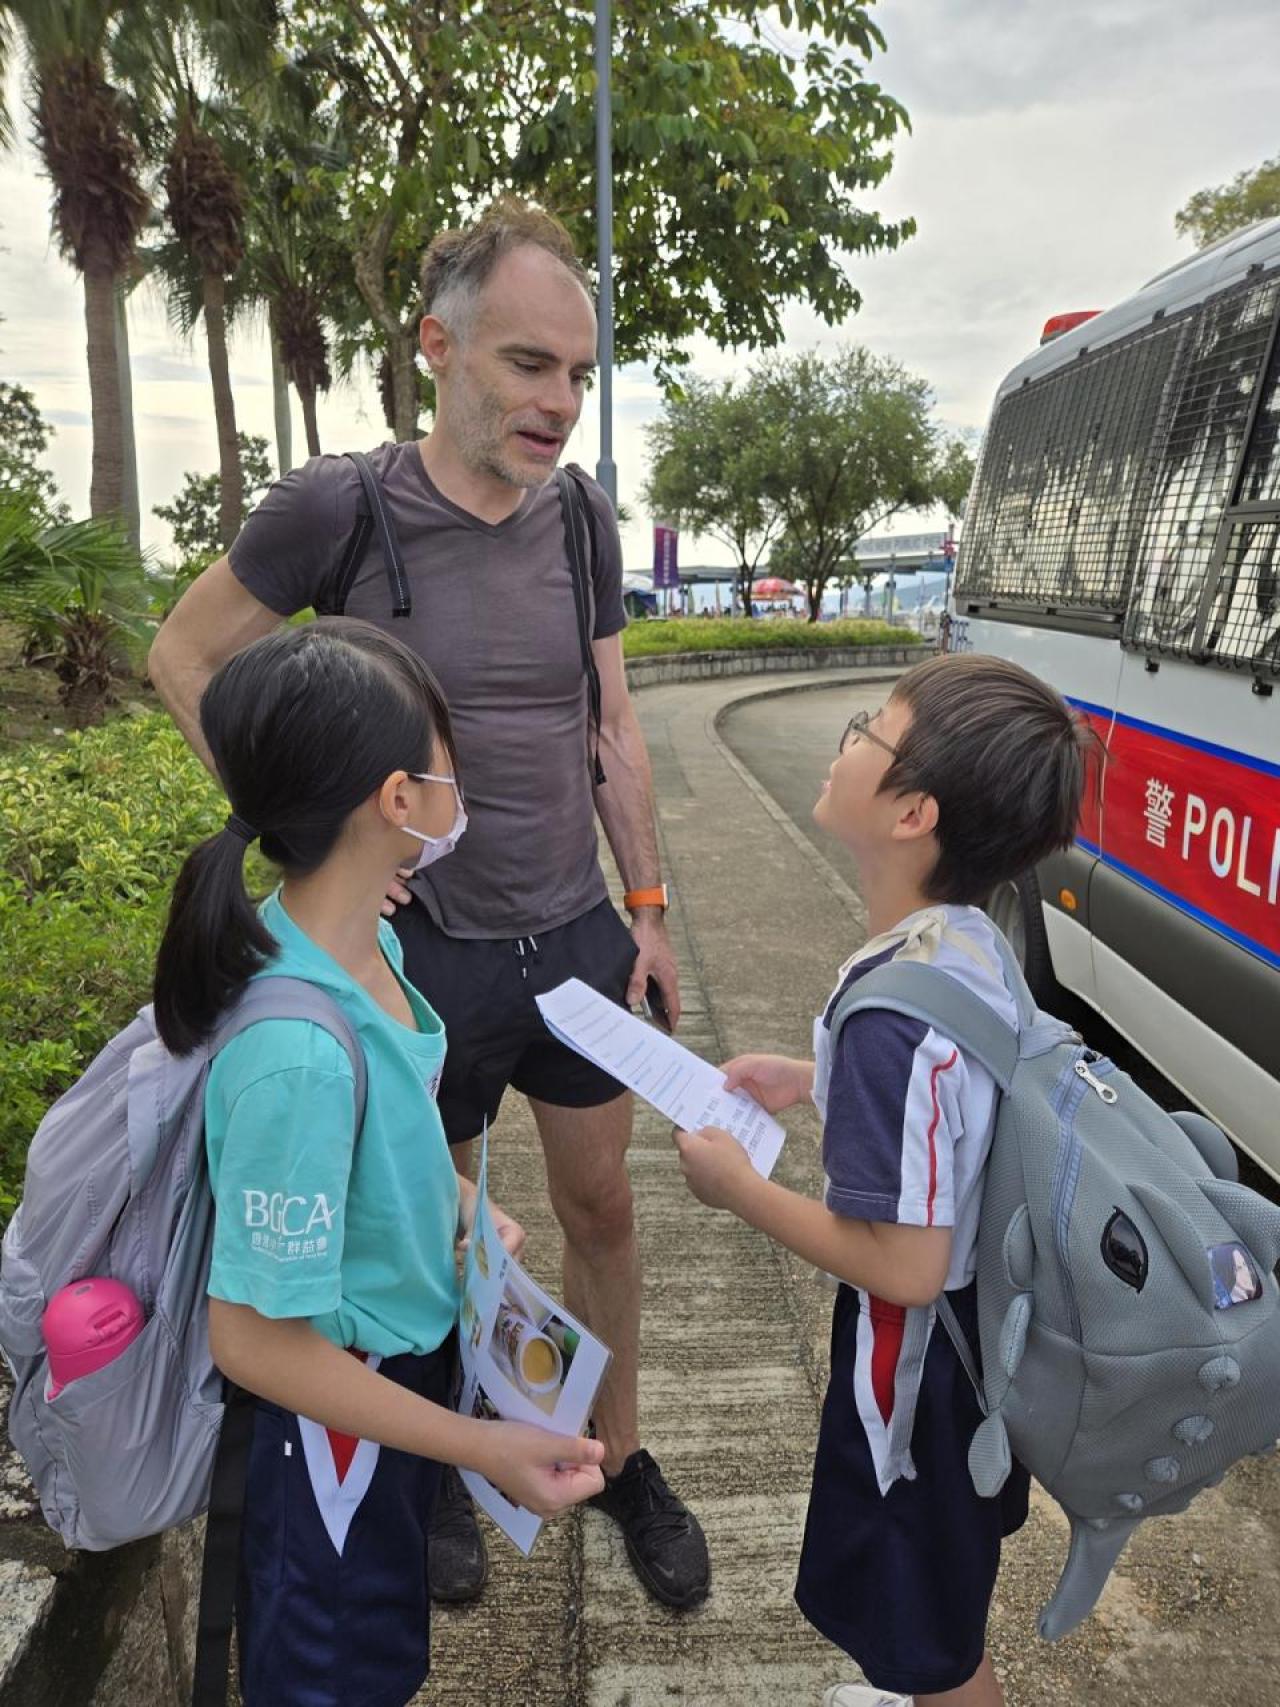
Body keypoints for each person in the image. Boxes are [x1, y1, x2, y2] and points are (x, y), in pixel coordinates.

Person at [147, 196, 708, 1610]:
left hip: (571, 928)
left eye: (578, 373)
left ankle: (616, 1452)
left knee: (602, 1210)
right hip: (420, 956)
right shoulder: (339, 507)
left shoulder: (579, 513)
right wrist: (316, 841)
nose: (560, 403)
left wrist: (643, 903)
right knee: (436, 1231)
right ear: (436, 346)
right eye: (529, 365)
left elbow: (613, 722)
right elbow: (185, 653)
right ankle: (452, 1460)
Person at [152, 619, 604, 1706]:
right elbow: (255, 1337)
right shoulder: (295, 1053)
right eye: (451, 762)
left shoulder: (369, 948)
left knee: (381, 1657)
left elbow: (379, 1137)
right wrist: (476, 1450)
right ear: (399, 801)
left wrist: (453, 1208)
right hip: (335, 1442)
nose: (465, 785)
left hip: (389, 1398)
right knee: (339, 1674)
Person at [672, 654, 1094, 1707]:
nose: (847, 736)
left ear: (910, 813)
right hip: (983, 1351)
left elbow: (905, 1267)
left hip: (915, 1387)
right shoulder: (965, 947)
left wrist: (738, 1191)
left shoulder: (889, 1008)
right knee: (940, 1591)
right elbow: (957, 1106)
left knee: (931, 1636)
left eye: (869, 729)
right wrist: (811, 1082)